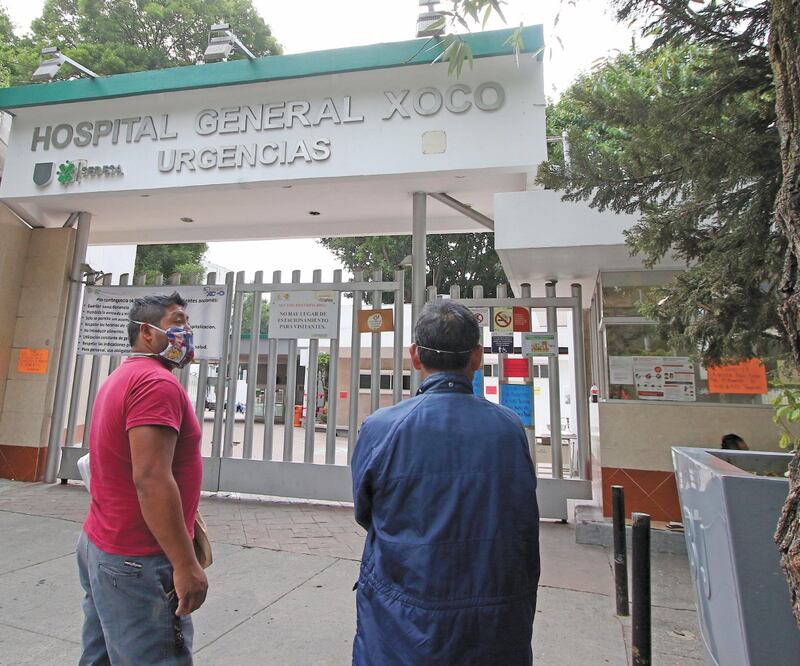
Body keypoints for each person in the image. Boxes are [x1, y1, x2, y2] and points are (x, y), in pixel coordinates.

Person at [351, 301, 540, 665]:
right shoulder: (508, 428)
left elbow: (366, 512)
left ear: (415, 356)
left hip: (401, 621)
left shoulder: (382, 427)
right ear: (477, 357)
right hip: (495, 624)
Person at [77, 292, 207, 665]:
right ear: (147, 334)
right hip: (139, 559)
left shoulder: (125, 375)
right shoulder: (156, 385)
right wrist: (185, 564)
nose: (187, 332)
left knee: (100, 655)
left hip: (103, 545)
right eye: (178, 322)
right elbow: (150, 479)